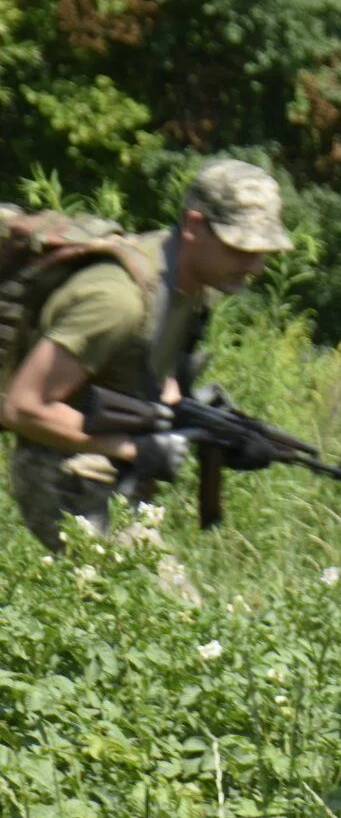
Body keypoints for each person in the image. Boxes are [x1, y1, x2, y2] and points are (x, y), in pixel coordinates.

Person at [0, 159, 292, 550]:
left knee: (173, 607)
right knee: (146, 606)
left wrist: (221, 433)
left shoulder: (193, 291)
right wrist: (134, 448)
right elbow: (22, 407)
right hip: (58, 466)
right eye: (240, 247)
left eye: (264, 251)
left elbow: (153, 382)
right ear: (193, 226)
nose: (255, 265)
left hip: (107, 468)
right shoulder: (117, 300)